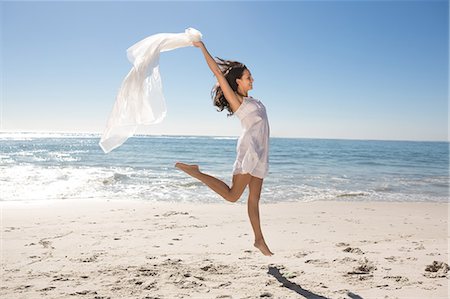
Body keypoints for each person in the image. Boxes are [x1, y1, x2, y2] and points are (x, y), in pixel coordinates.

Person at [175, 41, 273, 256]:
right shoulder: (238, 102)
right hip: (249, 152)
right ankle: (196, 172)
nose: (252, 80)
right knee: (232, 196)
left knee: (254, 199)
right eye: (248, 78)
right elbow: (218, 74)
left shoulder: (253, 100)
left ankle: (259, 240)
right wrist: (201, 47)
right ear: (237, 82)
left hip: (261, 153)